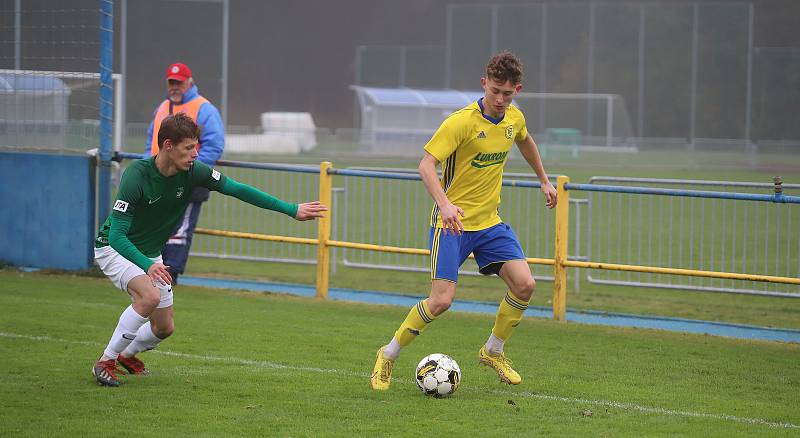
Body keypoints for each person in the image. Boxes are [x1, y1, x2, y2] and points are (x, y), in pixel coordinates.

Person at [92, 113, 327, 387]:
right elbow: (118, 235)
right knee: (149, 296)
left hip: (149, 255)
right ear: (168, 145)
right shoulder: (137, 175)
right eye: (189, 148)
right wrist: (147, 265)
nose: (195, 154)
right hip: (115, 249)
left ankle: (127, 355)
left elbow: (237, 189)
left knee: (164, 328)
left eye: (196, 146)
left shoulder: (195, 172)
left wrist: (291, 210)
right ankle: (105, 361)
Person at [370, 51, 558, 390]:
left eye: (507, 93)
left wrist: (544, 179)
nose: (500, 100)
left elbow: (526, 141)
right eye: (495, 91)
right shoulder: (461, 122)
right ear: (484, 84)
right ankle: (388, 354)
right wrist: (444, 205)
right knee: (441, 301)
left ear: (518, 89)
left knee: (525, 285)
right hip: (452, 225)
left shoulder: (514, 118)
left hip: (489, 223)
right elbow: (426, 166)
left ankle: (493, 351)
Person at [144, 62, 224, 285]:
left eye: (178, 82)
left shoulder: (205, 109)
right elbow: (151, 144)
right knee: (157, 226)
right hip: (159, 179)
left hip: (189, 182)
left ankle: (171, 275)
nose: (174, 87)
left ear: (190, 82)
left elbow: (214, 146)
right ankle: (154, 270)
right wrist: (145, 170)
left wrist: (189, 169)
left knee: (180, 229)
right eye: (171, 82)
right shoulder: (161, 108)